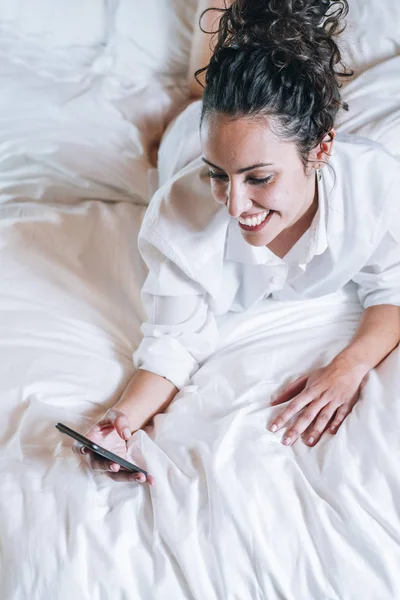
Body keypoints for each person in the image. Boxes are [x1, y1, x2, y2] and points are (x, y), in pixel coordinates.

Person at [75, 0, 400, 485]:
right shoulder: (178, 218)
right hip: (189, 137)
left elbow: (392, 284)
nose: (234, 206)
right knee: (191, 100)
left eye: (260, 178)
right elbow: (174, 340)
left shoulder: (373, 184)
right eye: (218, 176)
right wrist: (121, 422)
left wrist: (348, 368)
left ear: (322, 149)